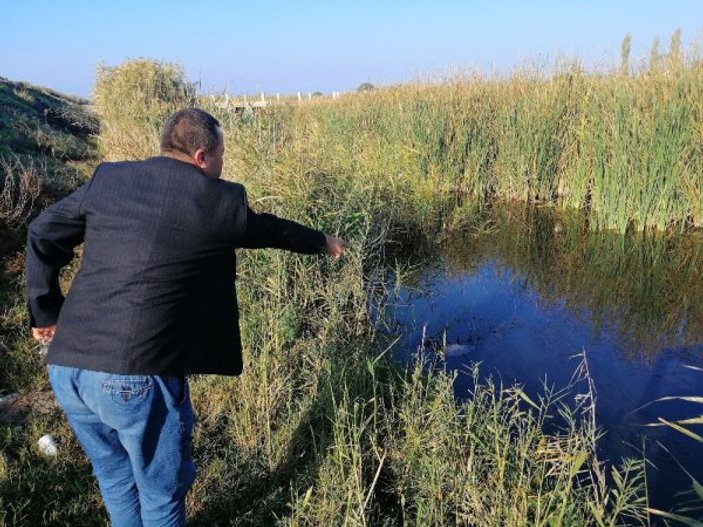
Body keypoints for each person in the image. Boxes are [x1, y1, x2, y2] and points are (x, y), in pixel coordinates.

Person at [25, 108, 345, 527]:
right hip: (134, 376)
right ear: (200, 156)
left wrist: (46, 310)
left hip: (67, 367)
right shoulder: (216, 200)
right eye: (221, 154)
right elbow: (271, 231)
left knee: (114, 475)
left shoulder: (109, 179)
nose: (222, 162)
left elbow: (41, 231)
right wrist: (323, 241)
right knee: (161, 492)